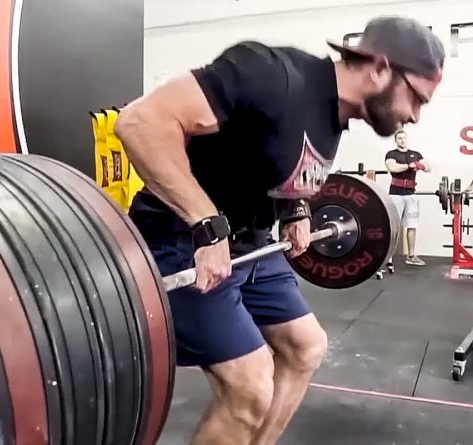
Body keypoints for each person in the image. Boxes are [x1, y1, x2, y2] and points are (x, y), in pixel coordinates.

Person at [114, 16, 444, 445]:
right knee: (250, 387)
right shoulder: (272, 74)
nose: (415, 116)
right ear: (380, 68)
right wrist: (206, 225)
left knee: (306, 348)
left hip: (251, 246)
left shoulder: (334, 116)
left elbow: (276, 162)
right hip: (182, 244)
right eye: (416, 98)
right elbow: (140, 122)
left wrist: (295, 210)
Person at [384, 129, 430, 266]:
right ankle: (388, 257)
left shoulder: (415, 154)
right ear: (396, 141)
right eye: (400, 138)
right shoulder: (391, 154)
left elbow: (428, 167)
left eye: (404, 138)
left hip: (411, 194)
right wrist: (410, 165)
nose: (402, 140)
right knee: (393, 227)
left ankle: (411, 256)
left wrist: (421, 165)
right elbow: (393, 168)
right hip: (395, 194)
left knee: (412, 225)